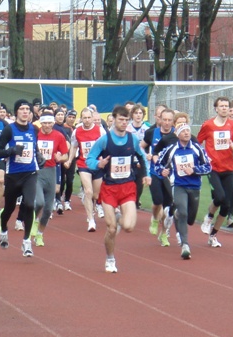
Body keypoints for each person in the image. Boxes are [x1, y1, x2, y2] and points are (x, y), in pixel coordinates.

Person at [85, 105, 148, 273]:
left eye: (126, 120)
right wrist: (99, 163)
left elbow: (142, 156)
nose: (123, 123)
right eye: (121, 119)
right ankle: (110, 258)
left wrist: (146, 174)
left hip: (128, 187)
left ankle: (120, 218)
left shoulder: (132, 139)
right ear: (113, 119)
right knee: (111, 229)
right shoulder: (105, 140)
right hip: (110, 188)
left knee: (128, 227)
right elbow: (89, 159)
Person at [0, 99, 40, 257]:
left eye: (28, 109)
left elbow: (34, 148)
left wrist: (39, 156)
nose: (25, 111)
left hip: (30, 173)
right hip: (13, 175)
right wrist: (11, 150)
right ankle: (4, 228)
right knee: (10, 208)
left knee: (29, 204)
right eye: (22, 109)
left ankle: (26, 242)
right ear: (16, 112)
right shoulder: (9, 130)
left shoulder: (34, 129)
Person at [157, 122, 212, 259]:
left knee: (191, 219)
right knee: (183, 213)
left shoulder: (197, 148)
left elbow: (208, 167)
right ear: (177, 134)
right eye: (183, 131)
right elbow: (158, 163)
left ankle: (175, 214)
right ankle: (185, 245)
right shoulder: (171, 149)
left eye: (188, 130)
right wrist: (162, 171)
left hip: (194, 187)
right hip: (178, 185)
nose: (187, 133)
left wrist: (194, 170)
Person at [198, 97, 233, 248]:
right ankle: (208, 217)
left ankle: (213, 235)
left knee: (226, 205)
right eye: (221, 106)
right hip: (213, 167)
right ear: (216, 109)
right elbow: (198, 142)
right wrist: (201, 158)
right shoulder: (208, 125)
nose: (224, 108)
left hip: (229, 168)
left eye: (226, 106)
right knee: (220, 196)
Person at [31, 108, 69, 245]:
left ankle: (40, 234)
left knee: (48, 208)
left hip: (51, 171)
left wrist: (61, 158)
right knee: (39, 202)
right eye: (44, 123)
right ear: (41, 123)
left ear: (53, 123)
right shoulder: (35, 135)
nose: (47, 126)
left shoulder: (58, 136)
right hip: (37, 171)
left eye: (49, 123)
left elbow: (65, 155)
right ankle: (34, 220)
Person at [142, 107, 178, 246]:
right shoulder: (152, 133)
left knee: (169, 207)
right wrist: (146, 155)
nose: (167, 123)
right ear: (160, 119)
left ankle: (164, 234)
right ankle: (155, 219)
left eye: (170, 120)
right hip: (155, 172)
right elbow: (141, 146)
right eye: (165, 120)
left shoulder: (176, 135)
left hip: (171, 175)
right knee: (158, 201)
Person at [68, 107, 104, 232]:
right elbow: (73, 146)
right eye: (85, 118)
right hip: (84, 165)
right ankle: (91, 220)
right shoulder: (77, 131)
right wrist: (69, 160)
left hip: (98, 165)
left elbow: (107, 146)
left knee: (95, 194)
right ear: (81, 118)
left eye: (89, 117)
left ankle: (91, 205)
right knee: (88, 191)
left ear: (93, 118)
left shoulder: (100, 130)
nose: (87, 120)